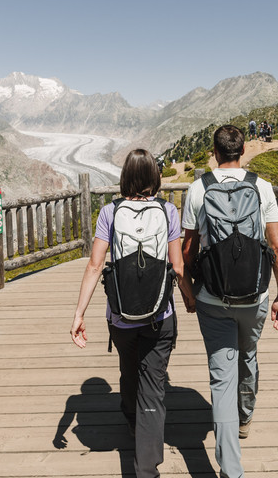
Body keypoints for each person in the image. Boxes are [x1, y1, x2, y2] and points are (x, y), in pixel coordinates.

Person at [178, 124, 278, 478]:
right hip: (256, 295)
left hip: (212, 298)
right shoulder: (262, 187)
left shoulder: (198, 189)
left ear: (214, 152)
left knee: (220, 378)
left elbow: (186, 250)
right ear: (242, 151)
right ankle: (245, 417)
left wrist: (189, 292)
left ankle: (231, 469)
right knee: (249, 354)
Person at [71, 148, 184, 478]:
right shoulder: (167, 211)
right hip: (159, 316)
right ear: (154, 177)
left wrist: (79, 313)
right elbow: (177, 266)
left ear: (124, 178)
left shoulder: (109, 212)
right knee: (153, 384)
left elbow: (94, 265)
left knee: (128, 366)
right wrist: (190, 297)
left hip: (120, 317)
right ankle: (146, 468)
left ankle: (131, 417)